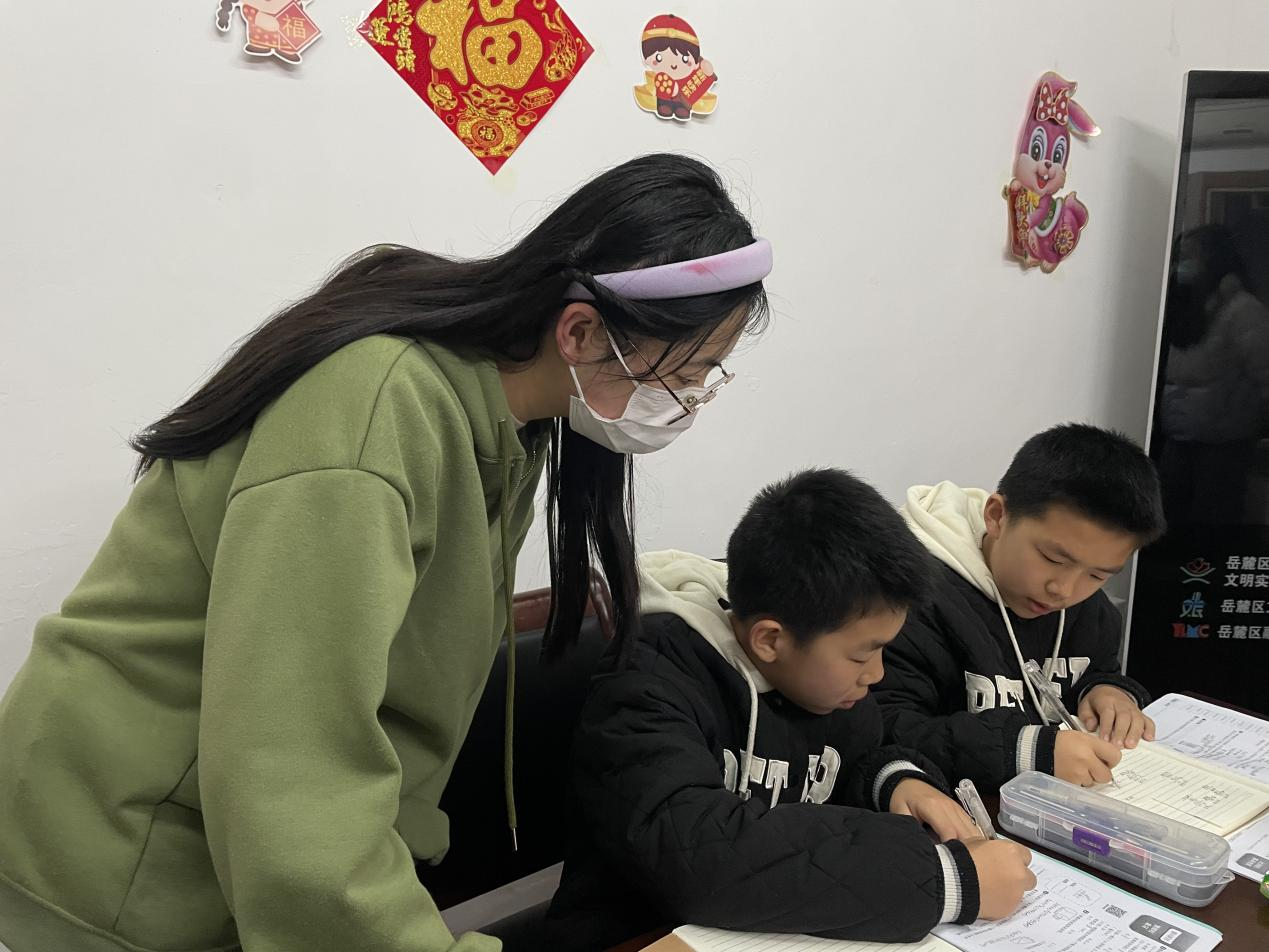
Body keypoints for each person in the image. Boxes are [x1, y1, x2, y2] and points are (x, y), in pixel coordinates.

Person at [0, 154, 773, 952]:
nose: (688, 402)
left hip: (231, 851)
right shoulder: (375, 412)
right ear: (578, 332)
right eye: (685, 373)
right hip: (119, 864)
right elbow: (291, 768)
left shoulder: (512, 428)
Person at [545, 469, 1036, 952]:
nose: (877, 674)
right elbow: (692, 852)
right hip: (640, 933)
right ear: (770, 640)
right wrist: (944, 880)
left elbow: (862, 752)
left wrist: (895, 780)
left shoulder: (823, 680)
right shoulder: (645, 684)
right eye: (862, 656)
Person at [875, 424, 1166, 794]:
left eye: (1097, 575)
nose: (1064, 590)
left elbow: (1098, 668)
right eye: (1052, 559)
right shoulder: (909, 601)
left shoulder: (1091, 610)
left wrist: (1108, 691)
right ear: (997, 515)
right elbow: (887, 726)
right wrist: (1025, 751)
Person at [1156, 224, 1269, 526]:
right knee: (1167, 519)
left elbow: (1264, 372)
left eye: (1190, 257)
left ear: (1214, 260)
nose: (1183, 266)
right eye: (1180, 258)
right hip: (1177, 436)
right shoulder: (1180, 303)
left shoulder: (1244, 311)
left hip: (1224, 443)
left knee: (1213, 521)